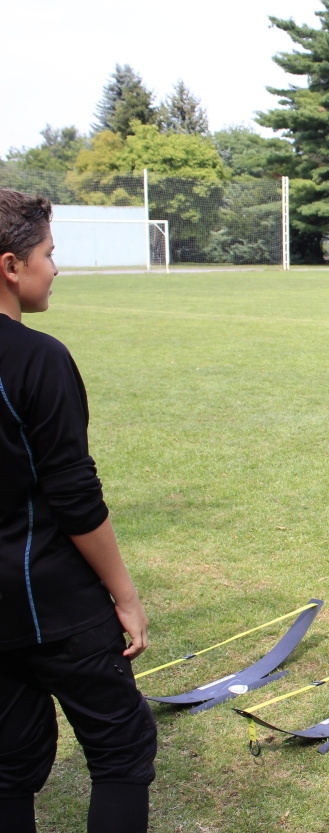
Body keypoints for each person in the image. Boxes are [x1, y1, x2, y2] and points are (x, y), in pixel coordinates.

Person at [0, 189, 157, 833]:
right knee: (122, 746)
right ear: (12, 266)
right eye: (48, 254)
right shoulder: (37, 357)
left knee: (8, 761)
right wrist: (124, 595)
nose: (55, 269)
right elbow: (73, 495)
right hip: (50, 601)